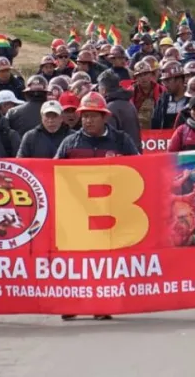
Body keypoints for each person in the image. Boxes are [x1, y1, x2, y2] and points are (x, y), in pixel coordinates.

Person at [54, 92, 139, 321]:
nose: (87, 121)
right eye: (84, 116)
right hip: (77, 213)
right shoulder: (70, 143)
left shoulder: (121, 141)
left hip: (110, 214)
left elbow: (140, 168)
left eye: (93, 116)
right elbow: (53, 173)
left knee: (104, 261)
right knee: (75, 261)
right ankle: (72, 303)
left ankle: (101, 303)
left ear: (104, 117)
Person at [97, 71, 142, 149]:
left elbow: (108, 139)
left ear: (103, 90)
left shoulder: (109, 109)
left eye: (98, 88)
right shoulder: (129, 104)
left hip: (119, 154)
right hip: (134, 152)